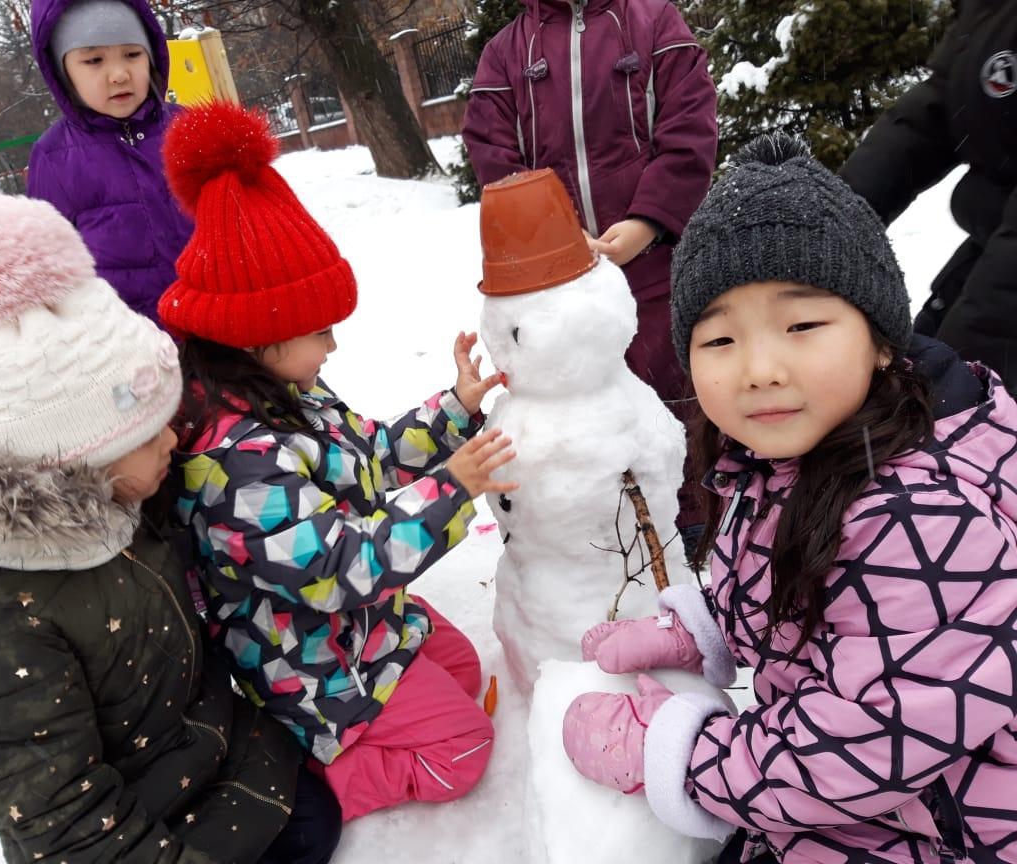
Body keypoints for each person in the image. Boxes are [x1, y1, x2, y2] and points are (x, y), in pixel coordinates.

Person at [560, 134, 1017, 863]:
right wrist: (710, 626)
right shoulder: (793, 455)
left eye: (802, 326)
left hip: (938, 832)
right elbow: (821, 603)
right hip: (856, 803)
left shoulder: (923, 518)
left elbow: (867, 746)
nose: (761, 369)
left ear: (879, 341)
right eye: (719, 341)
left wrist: (676, 754)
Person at [0, 191, 341, 864]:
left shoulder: (124, 509)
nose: (174, 441)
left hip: (209, 767)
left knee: (315, 822)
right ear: (72, 463)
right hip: (131, 834)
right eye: (149, 436)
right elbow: (63, 819)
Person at [158, 101, 512, 821]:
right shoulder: (234, 463)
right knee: (464, 748)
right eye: (319, 331)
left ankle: (368, 728)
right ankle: (312, 789)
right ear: (259, 334)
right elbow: (335, 570)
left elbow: (370, 458)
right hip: (304, 661)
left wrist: (454, 412)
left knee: (465, 668)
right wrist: (451, 489)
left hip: (350, 627)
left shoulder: (290, 392)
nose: (333, 348)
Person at [461, 0, 718, 554]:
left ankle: (691, 516)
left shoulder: (654, 24)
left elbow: (689, 129)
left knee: (674, 394)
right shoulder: (505, 54)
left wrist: (649, 219)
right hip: (554, 282)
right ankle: (596, 534)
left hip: (656, 268)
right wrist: (550, 229)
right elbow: (492, 152)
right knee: (575, 402)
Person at [840, 0, 1017, 391]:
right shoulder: (991, 12)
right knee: (925, 360)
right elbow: (934, 113)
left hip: (1005, 281)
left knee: (960, 387)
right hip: (992, 244)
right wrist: (833, 219)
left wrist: (967, 376)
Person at [27, 0, 194, 324]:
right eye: (93, 60)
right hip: (131, 348)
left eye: (132, 54)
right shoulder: (54, 157)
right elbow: (46, 271)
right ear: (63, 73)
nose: (119, 74)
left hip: (222, 337)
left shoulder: (189, 129)